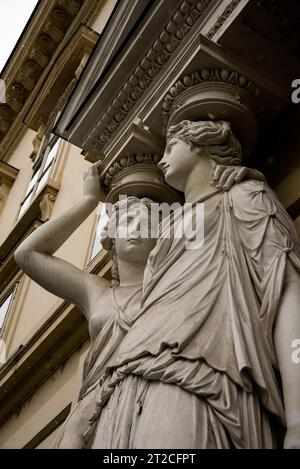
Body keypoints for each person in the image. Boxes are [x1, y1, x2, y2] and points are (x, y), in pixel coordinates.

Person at [14, 153, 266, 448]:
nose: (135, 229)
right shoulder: (98, 292)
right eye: (126, 221)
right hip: (100, 407)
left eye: (145, 222)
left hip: (161, 395)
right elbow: (27, 255)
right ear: (110, 237)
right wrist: (88, 202)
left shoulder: (175, 284)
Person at [83, 120, 300, 449]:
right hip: (128, 378)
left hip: (201, 370)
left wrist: (297, 419)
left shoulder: (244, 195)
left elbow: (285, 292)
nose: (160, 159)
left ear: (201, 145)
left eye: (171, 148)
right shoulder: (167, 230)